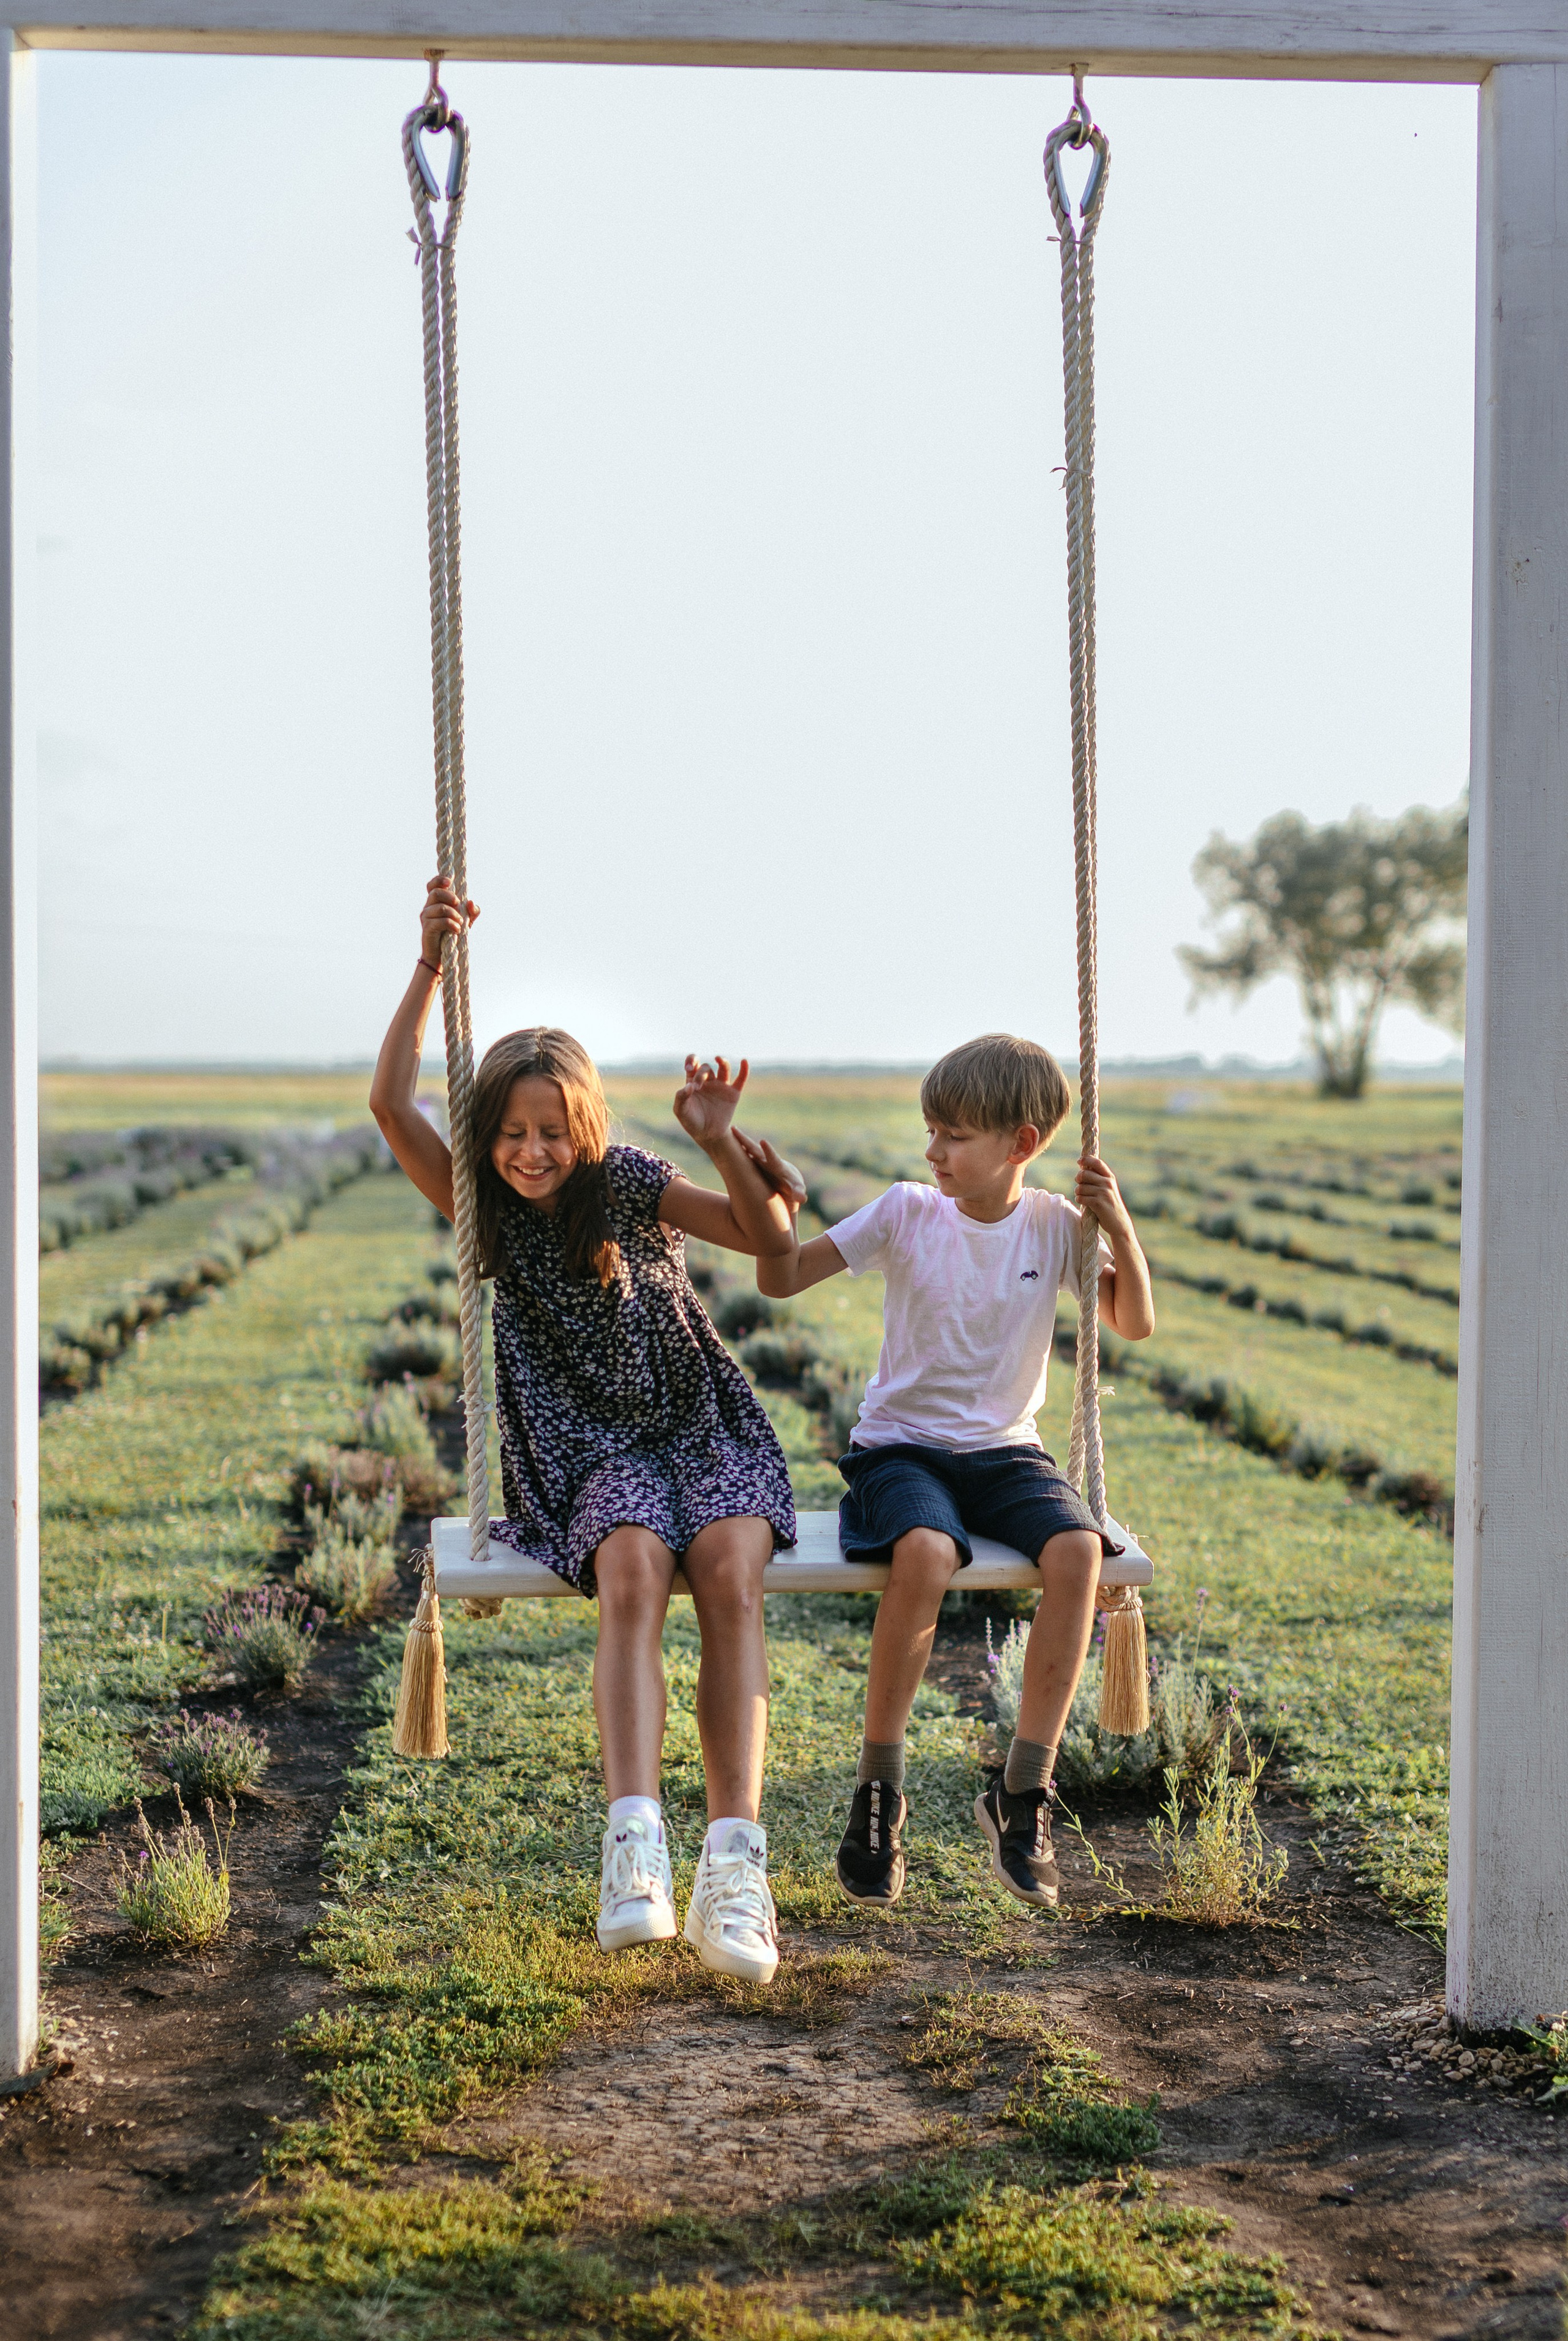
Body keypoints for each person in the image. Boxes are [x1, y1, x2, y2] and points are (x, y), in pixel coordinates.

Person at [371, 876, 808, 1986]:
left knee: (729, 1570)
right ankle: (635, 1848)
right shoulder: (482, 1211)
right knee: (628, 1570)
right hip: (585, 1451)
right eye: (512, 1132)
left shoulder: (624, 1184)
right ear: (489, 1138)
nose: (531, 1151)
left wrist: (718, 1142)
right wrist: (429, 967)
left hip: (695, 1419)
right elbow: (389, 1103)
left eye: (551, 1130)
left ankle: (735, 1863)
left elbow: (770, 1249)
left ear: (586, 1127)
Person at [753, 1032, 1155, 1913]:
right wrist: (771, 1199)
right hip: (900, 1448)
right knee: (928, 1553)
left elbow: (1132, 1320)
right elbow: (780, 1277)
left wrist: (1116, 1221)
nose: (933, 1151)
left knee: (1080, 1555)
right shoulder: (905, 1211)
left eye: (955, 1135)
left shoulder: (1055, 1224)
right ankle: (879, 1791)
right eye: (930, 1130)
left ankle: (1023, 1792)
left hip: (1008, 1452)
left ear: (1022, 1142)